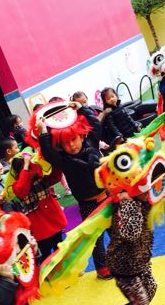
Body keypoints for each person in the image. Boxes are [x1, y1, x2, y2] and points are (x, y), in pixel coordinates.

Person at [37, 108, 112, 279]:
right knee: (95, 238)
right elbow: (48, 152)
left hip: (107, 197)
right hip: (87, 204)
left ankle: (121, 260)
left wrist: (81, 108)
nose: (71, 145)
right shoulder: (63, 160)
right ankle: (102, 268)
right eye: (66, 142)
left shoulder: (92, 144)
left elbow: (95, 125)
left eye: (74, 139)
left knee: (116, 231)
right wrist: (43, 131)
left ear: (82, 136)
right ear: (60, 145)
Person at [91, 191, 157, 305]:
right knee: (140, 304)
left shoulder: (144, 200)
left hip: (141, 260)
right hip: (124, 266)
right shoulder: (123, 204)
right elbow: (131, 234)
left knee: (151, 288)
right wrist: (127, 202)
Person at [10, 153, 67, 262]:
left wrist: (53, 160)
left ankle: (65, 267)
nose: (31, 168)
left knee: (60, 248)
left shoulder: (41, 177)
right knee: (45, 254)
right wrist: (26, 167)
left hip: (53, 218)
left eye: (30, 165)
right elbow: (22, 190)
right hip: (40, 226)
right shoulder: (16, 185)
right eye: (27, 167)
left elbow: (56, 176)